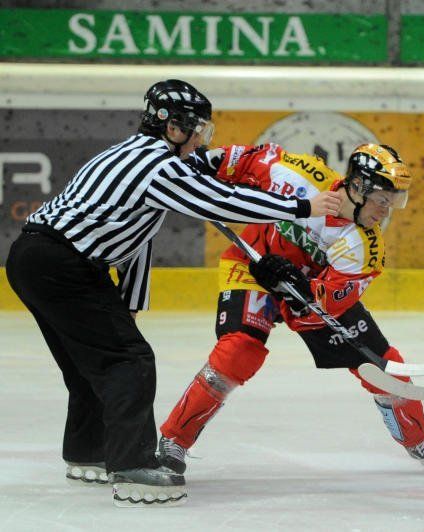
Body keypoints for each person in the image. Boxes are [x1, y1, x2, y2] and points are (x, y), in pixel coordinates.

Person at [4, 79, 340, 507]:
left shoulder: (129, 153)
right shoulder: (158, 167)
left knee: (92, 363)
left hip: (35, 259)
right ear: (174, 127)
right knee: (129, 361)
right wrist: (301, 207)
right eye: (198, 130)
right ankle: (132, 465)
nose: (202, 140)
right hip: (62, 265)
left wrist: (129, 304)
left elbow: (135, 239)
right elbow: (220, 201)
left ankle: (87, 451)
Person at [157, 142, 424, 477]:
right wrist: (199, 162)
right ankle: (174, 440)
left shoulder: (365, 247)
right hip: (251, 268)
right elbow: (243, 161)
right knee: (238, 351)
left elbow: (324, 306)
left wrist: (301, 288)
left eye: (392, 203)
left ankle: (419, 439)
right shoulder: (300, 175)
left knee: (384, 365)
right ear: (359, 187)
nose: (386, 212)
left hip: (306, 296)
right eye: (382, 201)